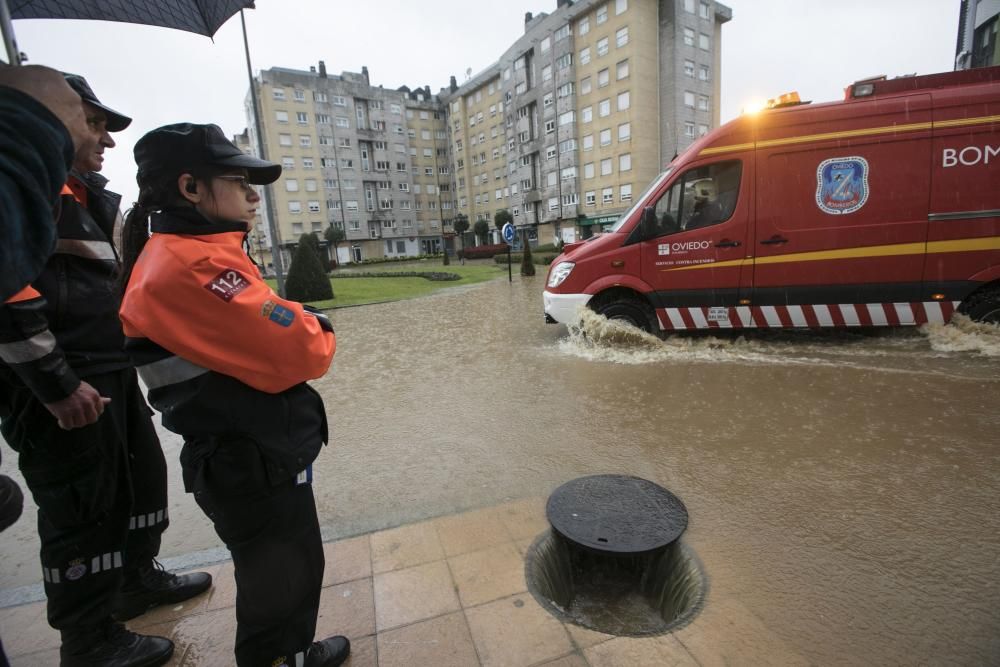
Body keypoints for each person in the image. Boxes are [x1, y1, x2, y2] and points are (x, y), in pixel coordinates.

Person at [118, 123, 349, 667]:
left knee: (288, 568)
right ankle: (278, 659)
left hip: (248, 453)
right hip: (248, 458)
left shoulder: (193, 252)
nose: (252, 193)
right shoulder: (195, 266)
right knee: (278, 579)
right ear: (191, 188)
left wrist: (296, 321)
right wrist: (316, 323)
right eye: (238, 180)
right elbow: (305, 348)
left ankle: (288, 654)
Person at [0, 76, 213, 667]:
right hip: (62, 383)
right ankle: (87, 639)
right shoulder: (23, 188)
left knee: (141, 484)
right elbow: (7, 294)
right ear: (45, 117)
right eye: (92, 122)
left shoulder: (86, 197)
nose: (105, 140)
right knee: (82, 509)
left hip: (109, 368)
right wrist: (56, 385)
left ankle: (135, 579)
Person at [0, 64, 90, 302]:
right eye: (90, 121)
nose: (109, 140)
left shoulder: (97, 198)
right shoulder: (41, 185)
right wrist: (32, 125)